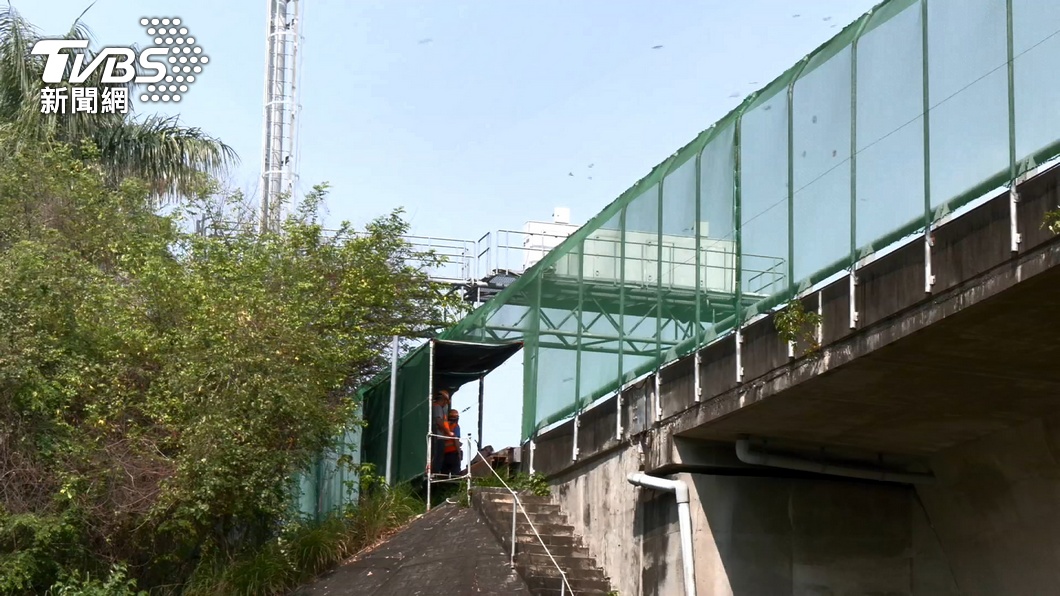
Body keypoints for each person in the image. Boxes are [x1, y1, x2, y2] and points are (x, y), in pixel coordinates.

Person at [430, 389, 453, 474]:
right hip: (438, 437)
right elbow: (439, 422)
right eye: (445, 402)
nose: (445, 404)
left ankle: (435, 471)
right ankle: (435, 472)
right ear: (443, 399)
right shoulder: (437, 407)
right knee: (437, 457)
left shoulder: (433, 406)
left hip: (436, 436)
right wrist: (448, 432)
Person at [443, 409, 463, 476]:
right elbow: (456, 440)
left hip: (444, 454)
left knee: (444, 475)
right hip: (453, 453)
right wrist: (459, 453)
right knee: (456, 474)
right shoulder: (455, 426)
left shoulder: (444, 426)